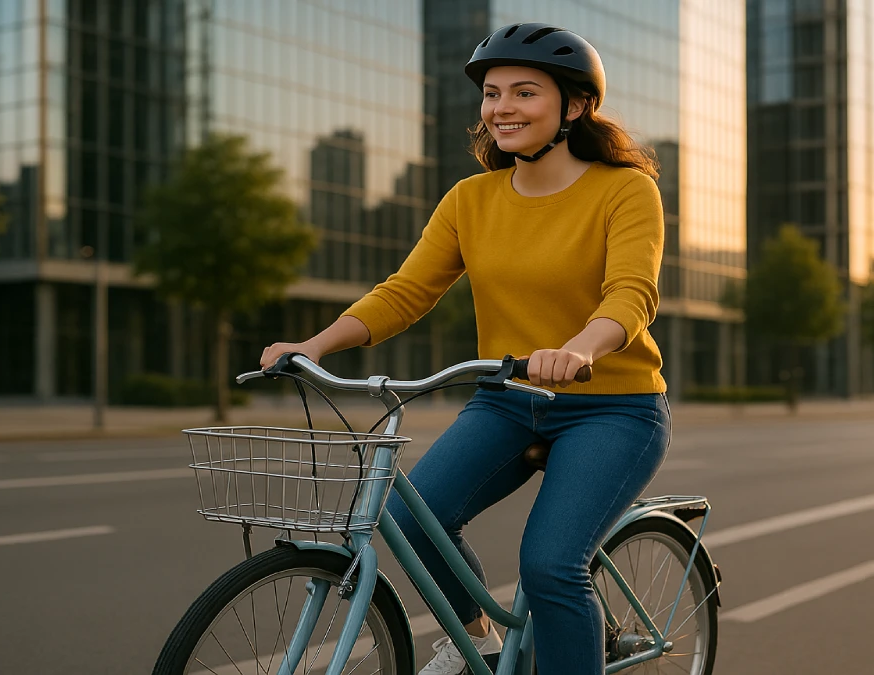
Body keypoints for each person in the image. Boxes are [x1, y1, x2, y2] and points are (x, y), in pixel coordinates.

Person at [260, 22, 670, 675]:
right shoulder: (470, 199)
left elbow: (631, 294)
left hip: (611, 408)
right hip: (507, 400)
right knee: (410, 514)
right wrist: (315, 344)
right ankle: (476, 636)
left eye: (524, 92)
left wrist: (582, 347)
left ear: (574, 106)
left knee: (550, 564)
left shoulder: (624, 189)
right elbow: (405, 292)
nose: (501, 107)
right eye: (492, 93)